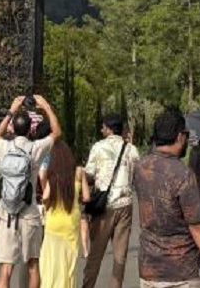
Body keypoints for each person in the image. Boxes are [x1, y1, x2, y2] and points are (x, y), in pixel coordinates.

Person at [133, 107, 200, 288]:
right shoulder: (182, 174)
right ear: (180, 136)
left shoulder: (140, 167)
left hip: (149, 269)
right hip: (181, 272)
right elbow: (197, 225)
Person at [0, 95, 61, 288]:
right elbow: (56, 132)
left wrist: (11, 110)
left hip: (7, 213)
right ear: (31, 128)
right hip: (29, 213)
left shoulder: (4, 148)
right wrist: (46, 106)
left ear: (13, 128)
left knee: (6, 269)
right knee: (33, 265)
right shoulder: (35, 149)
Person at [82, 112, 140, 288]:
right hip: (125, 205)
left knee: (95, 255)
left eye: (102, 127)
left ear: (108, 128)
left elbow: (89, 174)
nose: (101, 130)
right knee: (119, 257)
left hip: (104, 206)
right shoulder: (131, 149)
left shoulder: (98, 147)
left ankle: (88, 285)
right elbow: (136, 175)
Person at [39, 140, 89, 288]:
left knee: (51, 263)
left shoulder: (53, 176)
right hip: (71, 221)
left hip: (53, 222)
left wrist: (47, 204)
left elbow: (46, 197)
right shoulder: (79, 172)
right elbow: (86, 197)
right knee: (69, 263)